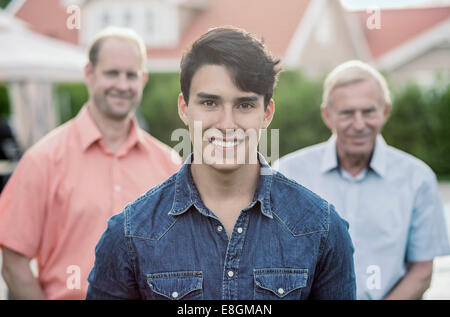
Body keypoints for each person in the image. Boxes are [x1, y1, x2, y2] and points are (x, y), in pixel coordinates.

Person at [86, 26, 356, 300]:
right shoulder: (129, 234)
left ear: (267, 113)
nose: (227, 124)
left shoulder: (321, 229)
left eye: (245, 105)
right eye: (210, 103)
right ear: (184, 108)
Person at [0, 26, 181, 300]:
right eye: (111, 73)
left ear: (142, 79)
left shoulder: (168, 164)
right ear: (89, 74)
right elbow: (13, 263)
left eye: (130, 75)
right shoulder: (43, 160)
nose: (122, 85)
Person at [274, 60, 450, 300]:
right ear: (328, 115)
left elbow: (421, 270)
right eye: (347, 113)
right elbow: (273, 259)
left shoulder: (418, 179)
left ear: (385, 111)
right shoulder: (289, 173)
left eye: (368, 111)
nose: (359, 124)